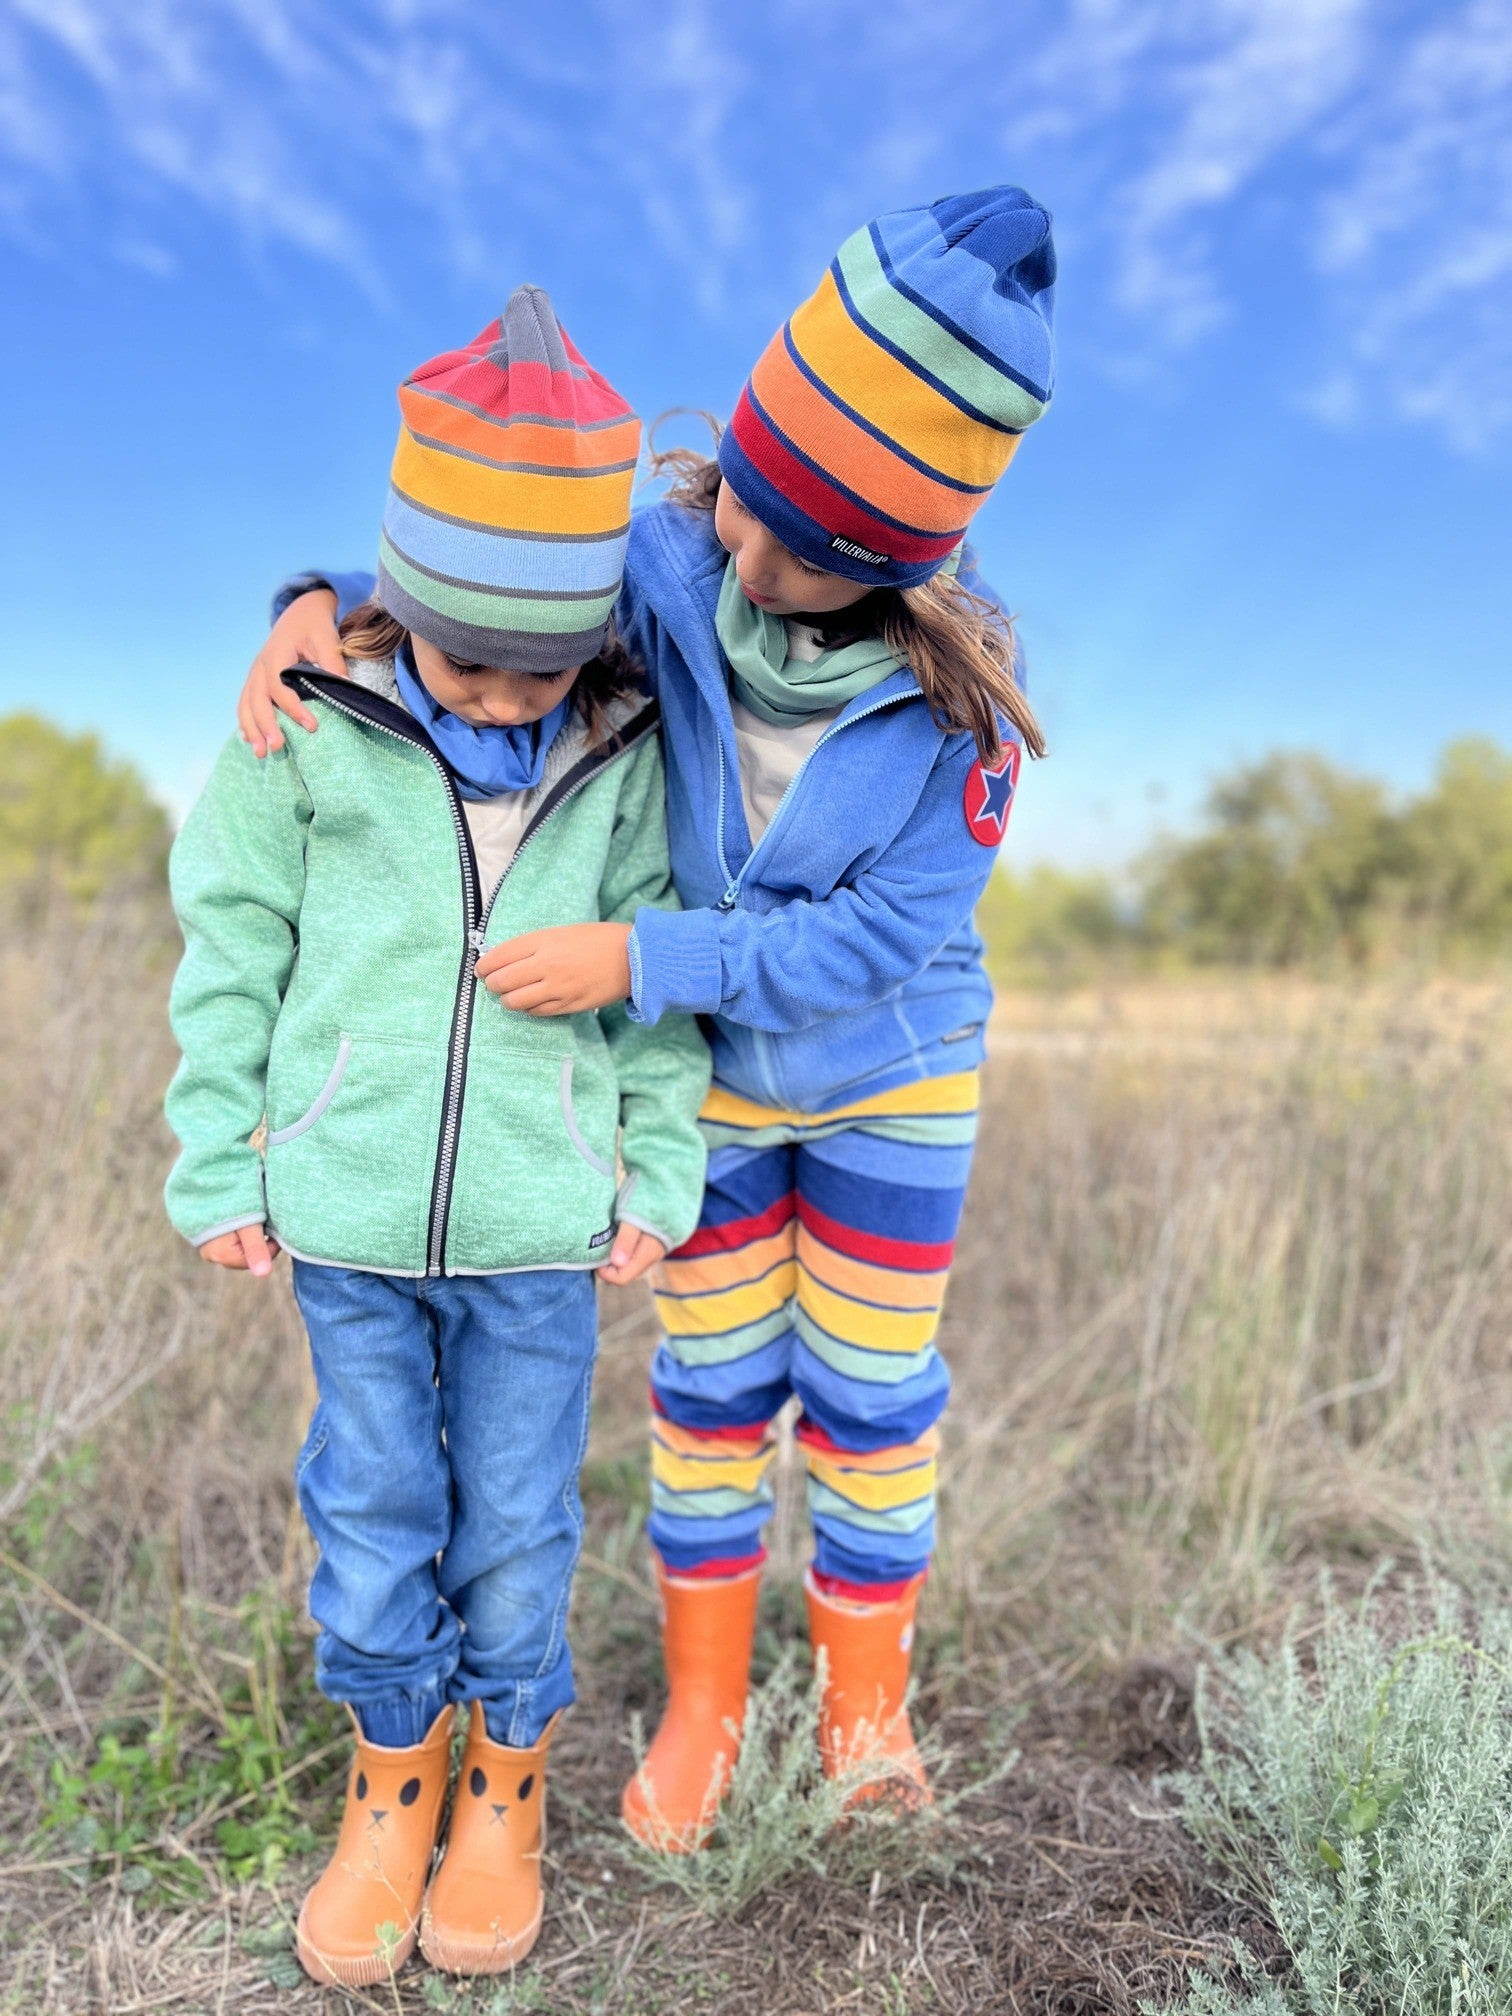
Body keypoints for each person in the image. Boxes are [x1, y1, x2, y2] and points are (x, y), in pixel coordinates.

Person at [236, 186, 1056, 1853]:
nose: (746, 554)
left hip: (890, 1085)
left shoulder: (958, 714)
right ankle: (702, 1703)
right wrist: (314, 597)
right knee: (710, 1384)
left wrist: (640, 960)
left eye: (803, 542)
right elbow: (497, 576)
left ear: (903, 561)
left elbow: (877, 945)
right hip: (711, 1100)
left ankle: (861, 1702)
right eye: (745, 498)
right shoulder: (679, 563)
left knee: (869, 1392)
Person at [164, 286, 709, 1983]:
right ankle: (394, 1771)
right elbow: (234, 935)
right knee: (380, 1496)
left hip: (542, 1226)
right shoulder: (308, 714)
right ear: (394, 595)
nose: (492, 692)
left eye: (535, 665)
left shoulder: (622, 752)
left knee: (522, 1519)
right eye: (463, 653)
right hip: (346, 1207)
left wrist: (655, 1165)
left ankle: (507, 1778)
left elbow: (658, 988)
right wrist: (222, 1149)